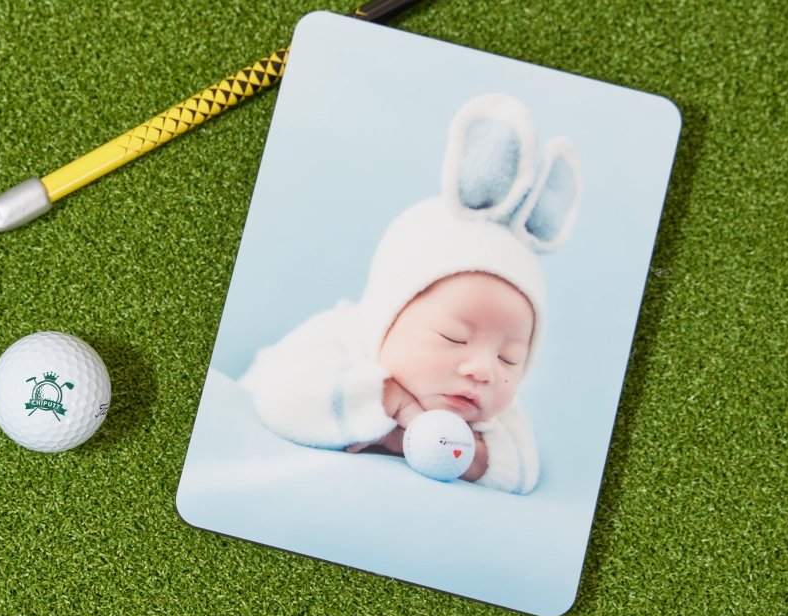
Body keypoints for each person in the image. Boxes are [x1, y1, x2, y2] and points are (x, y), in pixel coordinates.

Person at [238, 93, 582, 494]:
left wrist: (456, 453)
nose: (484, 369)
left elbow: (522, 470)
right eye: (454, 337)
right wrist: (394, 405)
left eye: (511, 359)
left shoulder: (486, 418)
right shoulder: (337, 340)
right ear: (388, 313)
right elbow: (281, 401)